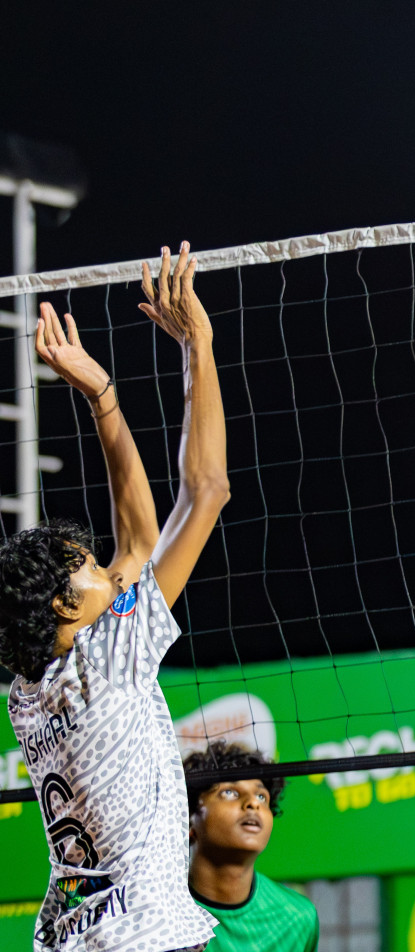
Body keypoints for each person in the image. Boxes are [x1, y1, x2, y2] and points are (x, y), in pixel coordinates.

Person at [1, 242, 229, 952]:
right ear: (64, 609)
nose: (113, 570)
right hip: (142, 938)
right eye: (89, 568)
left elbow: (135, 547)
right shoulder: (109, 663)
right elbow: (205, 491)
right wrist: (198, 343)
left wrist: (104, 397)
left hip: (67, 938)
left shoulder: (27, 691)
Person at [183, 741, 318, 951]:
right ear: (188, 820)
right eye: (229, 793)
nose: (253, 803)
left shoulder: (299, 917)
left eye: (262, 796)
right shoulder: (151, 911)